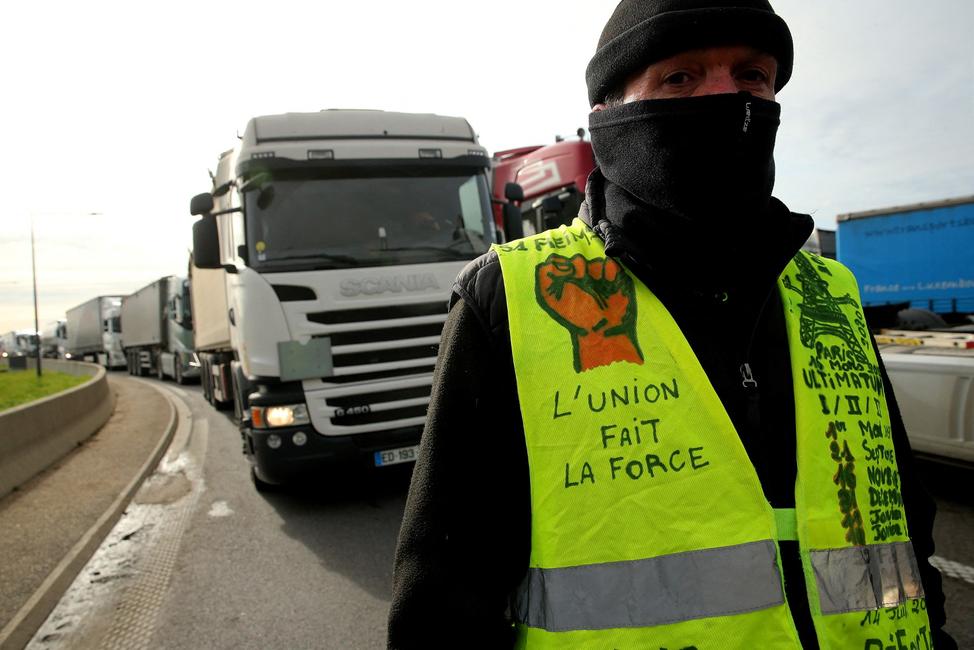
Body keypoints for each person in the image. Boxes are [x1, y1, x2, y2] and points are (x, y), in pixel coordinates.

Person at [388, 1, 955, 648]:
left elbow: (906, 517)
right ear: (607, 112)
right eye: (680, 77)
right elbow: (441, 604)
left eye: (751, 77)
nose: (725, 99)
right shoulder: (509, 298)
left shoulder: (830, 293)